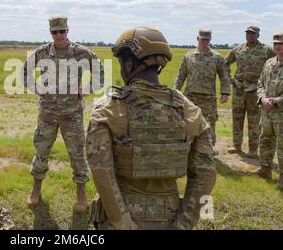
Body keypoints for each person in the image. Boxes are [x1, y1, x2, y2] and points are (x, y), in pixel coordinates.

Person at [86, 27, 216, 230]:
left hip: (118, 217)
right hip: (171, 215)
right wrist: (183, 224)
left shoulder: (108, 110)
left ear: (128, 65)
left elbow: (102, 172)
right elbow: (206, 175)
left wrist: (123, 224)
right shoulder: (191, 111)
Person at [22, 15, 104, 213]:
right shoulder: (41, 53)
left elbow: (99, 74)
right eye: (54, 32)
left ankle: (81, 195)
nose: (59, 35)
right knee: (41, 151)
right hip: (47, 113)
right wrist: (36, 88)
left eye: (62, 31)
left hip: (72, 114)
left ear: (68, 30)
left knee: (77, 155)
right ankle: (35, 191)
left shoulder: (81, 53)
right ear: (50, 32)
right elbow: (24, 72)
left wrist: (86, 89)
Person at [225, 26, 275, 157]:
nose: (249, 36)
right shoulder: (238, 49)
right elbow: (225, 64)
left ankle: (253, 149)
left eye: (252, 34)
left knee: (254, 121)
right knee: (237, 118)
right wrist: (230, 79)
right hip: (239, 89)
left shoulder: (266, 50)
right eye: (248, 33)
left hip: (255, 91)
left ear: (258, 35)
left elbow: (276, 63)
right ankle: (236, 145)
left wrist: (267, 83)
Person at [175, 30, 230, 148]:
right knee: (188, 122)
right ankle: (188, 148)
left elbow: (224, 76)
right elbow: (181, 76)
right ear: (197, 39)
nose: (204, 41)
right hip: (190, 97)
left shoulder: (217, 57)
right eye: (202, 39)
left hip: (208, 98)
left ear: (210, 40)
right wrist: (176, 92)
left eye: (207, 39)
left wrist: (225, 93)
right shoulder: (188, 56)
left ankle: (209, 149)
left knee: (209, 123)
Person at [253, 32, 283, 190]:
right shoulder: (269, 63)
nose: (277, 46)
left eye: (280, 44)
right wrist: (263, 98)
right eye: (275, 44)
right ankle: (265, 169)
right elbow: (260, 83)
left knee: (282, 144)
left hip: (280, 112)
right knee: (265, 138)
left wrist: (275, 102)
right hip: (266, 110)